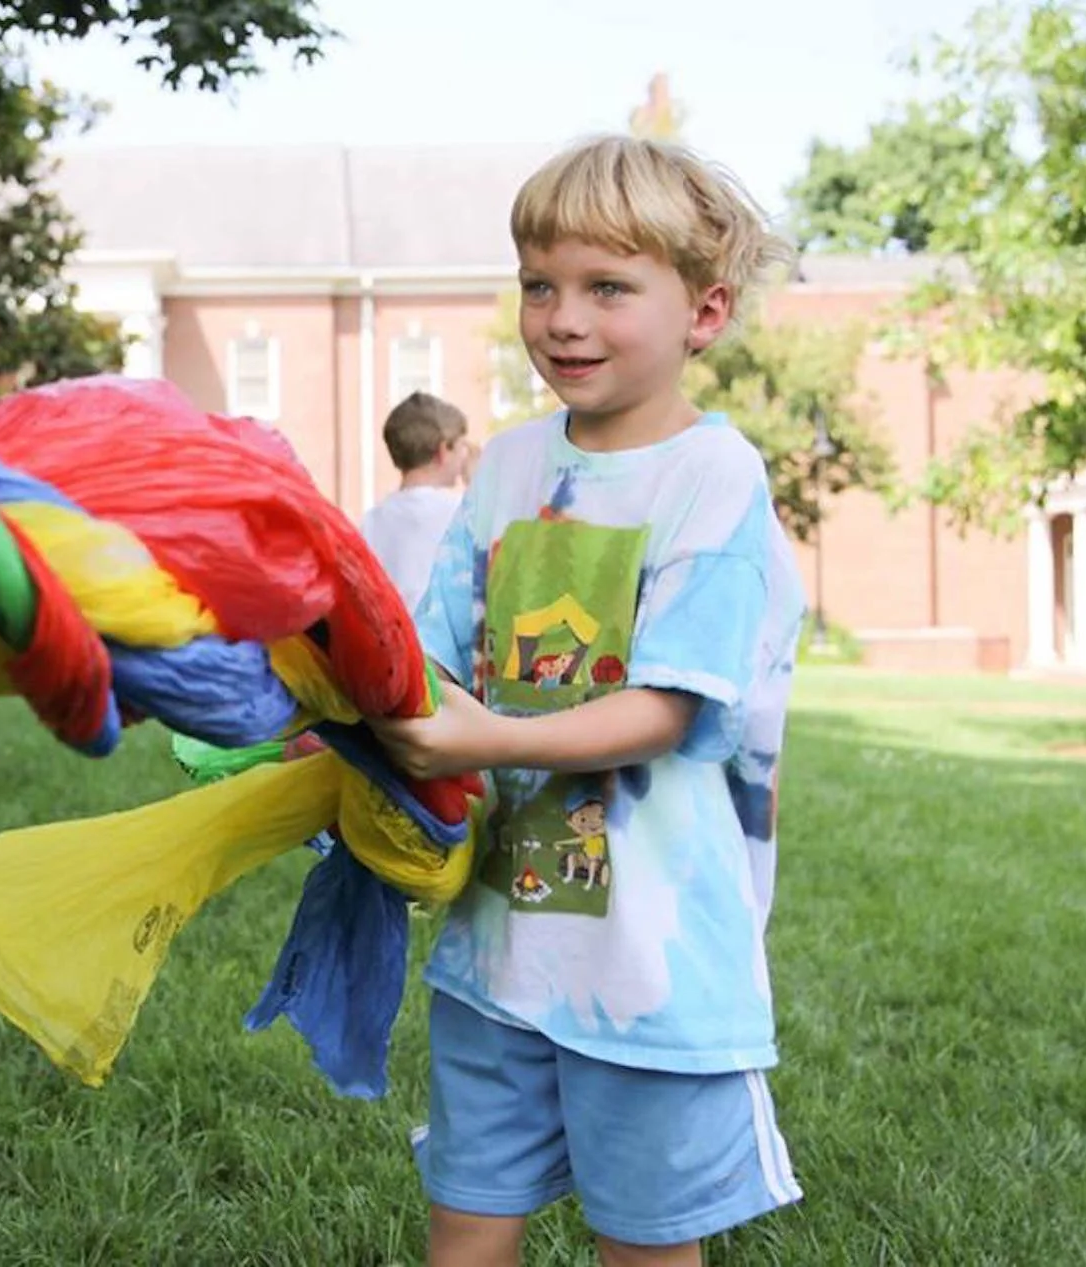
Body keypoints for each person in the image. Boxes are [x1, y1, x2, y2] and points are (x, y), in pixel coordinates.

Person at [369, 135, 806, 1266]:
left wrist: (486, 730)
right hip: (499, 944)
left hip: (647, 964)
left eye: (608, 287)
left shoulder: (712, 475)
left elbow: (667, 706)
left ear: (702, 313)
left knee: (643, 1242)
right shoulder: (507, 468)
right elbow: (431, 656)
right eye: (539, 284)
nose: (562, 317)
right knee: (465, 1216)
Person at [360, 391, 473, 613]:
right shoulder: (460, 512)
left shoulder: (371, 522)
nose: (465, 455)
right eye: (461, 446)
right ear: (442, 451)